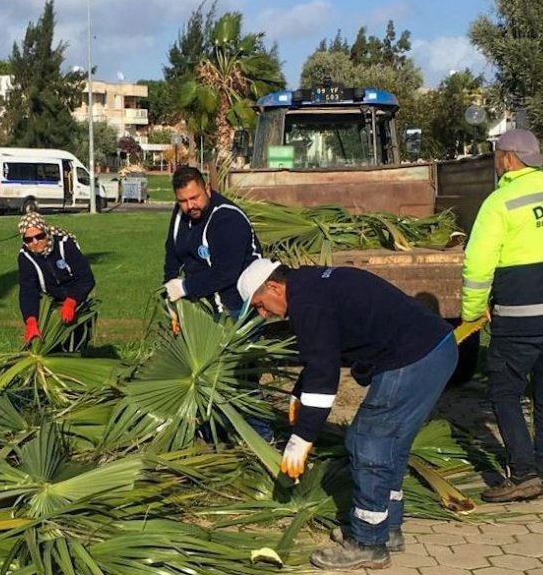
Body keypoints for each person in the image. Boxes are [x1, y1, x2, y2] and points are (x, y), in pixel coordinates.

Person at [238, 259, 456, 571]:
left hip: (414, 358)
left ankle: (368, 543)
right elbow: (325, 351)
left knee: (368, 442)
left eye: (260, 305)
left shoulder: (307, 302)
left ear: (274, 287)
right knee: (389, 445)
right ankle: (386, 529)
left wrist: (301, 439)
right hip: (433, 348)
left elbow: (325, 376)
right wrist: (301, 392)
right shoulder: (310, 285)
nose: (263, 313)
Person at [460, 129, 543, 502]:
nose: (496, 162)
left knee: (505, 393)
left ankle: (524, 473)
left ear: (510, 158)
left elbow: (478, 265)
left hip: (519, 319)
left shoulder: (500, 202)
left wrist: (470, 313)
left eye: (497, 155)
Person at [162, 166, 261, 316]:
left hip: (237, 303)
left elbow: (226, 273)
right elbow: (173, 253)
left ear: (207, 189)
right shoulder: (180, 214)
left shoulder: (228, 219)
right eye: (183, 201)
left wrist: (185, 287)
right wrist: (170, 293)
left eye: (195, 198)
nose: (190, 206)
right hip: (202, 297)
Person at [17, 212, 95, 351]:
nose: (35, 242)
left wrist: (72, 302)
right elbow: (28, 290)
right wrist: (30, 321)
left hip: (76, 299)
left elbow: (86, 278)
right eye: (29, 239)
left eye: (39, 236)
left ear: (46, 232)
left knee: (76, 343)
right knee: (50, 345)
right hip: (50, 303)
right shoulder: (25, 257)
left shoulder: (65, 245)